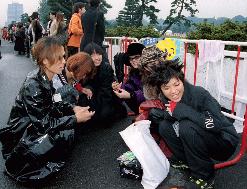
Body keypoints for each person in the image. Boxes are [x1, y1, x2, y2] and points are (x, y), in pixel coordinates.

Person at [0, 36, 95, 183]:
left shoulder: (45, 78)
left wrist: (74, 108)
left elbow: (56, 101)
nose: (64, 61)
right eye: (60, 58)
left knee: (67, 132)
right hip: (22, 129)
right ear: (45, 60)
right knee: (61, 135)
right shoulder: (33, 85)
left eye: (64, 56)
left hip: (36, 121)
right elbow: (43, 124)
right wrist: (75, 118)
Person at [144, 59, 239, 189]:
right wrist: (166, 115)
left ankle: (205, 176)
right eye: (166, 88)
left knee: (186, 127)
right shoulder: (167, 98)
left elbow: (216, 125)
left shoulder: (199, 94)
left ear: (182, 81)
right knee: (164, 126)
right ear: (161, 89)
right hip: (202, 139)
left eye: (176, 84)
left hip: (224, 142)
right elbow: (172, 117)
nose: (173, 91)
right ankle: (189, 162)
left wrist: (184, 111)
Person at [81, 42, 126, 127]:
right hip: (91, 95)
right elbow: (82, 85)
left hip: (106, 96)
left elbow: (106, 91)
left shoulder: (106, 68)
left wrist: (97, 109)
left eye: (99, 54)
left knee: (104, 118)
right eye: (92, 55)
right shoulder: (84, 68)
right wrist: (87, 88)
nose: (97, 58)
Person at [112, 43, 145, 115]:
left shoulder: (150, 70)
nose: (133, 60)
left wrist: (132, 95)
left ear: (144, 57)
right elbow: (128, 87)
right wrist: (119, 89)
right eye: (131, 58)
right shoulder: (134, 71)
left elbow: (151, 94)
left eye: (136, 57)